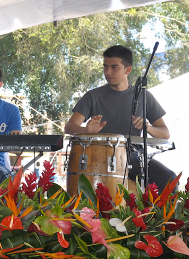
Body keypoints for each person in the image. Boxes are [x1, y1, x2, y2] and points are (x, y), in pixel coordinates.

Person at [64, 45, 176, 193]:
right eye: (105, 67)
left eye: (114, 67)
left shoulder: (144, 96)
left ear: (127, 70)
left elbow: (165, 133)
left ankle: (156, 216)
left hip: (134, 157)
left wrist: (147, 128)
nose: (107, 72)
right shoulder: (92, 96)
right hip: (98, 158)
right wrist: (86, 130)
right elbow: (69, 127)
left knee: (169, 179)